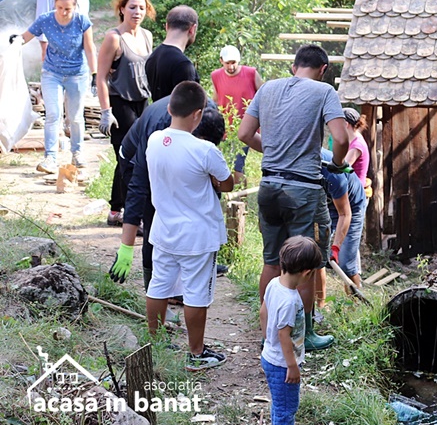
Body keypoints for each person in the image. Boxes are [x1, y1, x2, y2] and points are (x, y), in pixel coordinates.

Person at [237, 44, 350, 352]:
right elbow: (341, 138)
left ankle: (268, 332)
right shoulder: (324, 92)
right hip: (303, 191)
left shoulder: (268, 88)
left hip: (269, 187)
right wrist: (338, 164)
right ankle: (304, 335)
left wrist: (273, 150)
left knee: (272, 261)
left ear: (293, 66)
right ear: (323, 69)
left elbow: (245, 134)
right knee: (308, 263)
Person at [143, 81, 234, 371]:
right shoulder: (204, 150)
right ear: (198, 114)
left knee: (159, 285)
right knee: (196, 292)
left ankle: (155, 344)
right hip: (197, 235)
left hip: (163, 229)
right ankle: (196, 353)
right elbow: (227, 182)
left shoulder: (155, 140)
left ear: (170, 108)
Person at [108, 96, 225, 291]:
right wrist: (126, 246)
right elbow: (138, 187)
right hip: (133, 157)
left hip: (175, 151)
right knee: (154, 217)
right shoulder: (159, 133)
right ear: (194, 125)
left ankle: (187, 270)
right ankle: (155, 289)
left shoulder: (209, 116)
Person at [10, 0, 96, 173]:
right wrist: (13, 40)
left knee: (74, 117)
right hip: (52, 74)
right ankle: (50, 157)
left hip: (77, 74)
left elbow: (89, 48)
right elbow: (25, 37)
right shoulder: (46, 19)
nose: (63, 13)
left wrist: (95, 74)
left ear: (75, 7)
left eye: (68, 9)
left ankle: (77, 152)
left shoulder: (82, 21)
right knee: (53, 115)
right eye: (60, 8)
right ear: (55, 5)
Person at [96, 0, 156, 226]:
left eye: (141, 8)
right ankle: (136, 216)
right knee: (132, 159)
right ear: (122, 9)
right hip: (120, 104)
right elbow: (100, 76)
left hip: (143, 103)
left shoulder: (147, 36)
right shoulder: (114, 38)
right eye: (132, 7)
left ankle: (115, 210)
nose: (137, 12)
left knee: (128, 159)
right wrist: (105, 112)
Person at [261, 235, 320, 425]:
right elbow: (284, 335)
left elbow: (263, 312)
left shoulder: (273, 283)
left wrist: (267, 340)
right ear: (307, 273)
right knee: (287, 409)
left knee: (280, 404)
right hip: (282, 365)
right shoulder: (290, 300)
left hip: (270, 355)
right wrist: (292, 366)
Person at [210, 45, 263, 182]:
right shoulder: (216, 76)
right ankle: (231, 197)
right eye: (227, 63)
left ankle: (241, 199)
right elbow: (216, 100)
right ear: (221, 61)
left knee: (238, 166)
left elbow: (264, 95)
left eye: (233, 62)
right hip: (226, 127)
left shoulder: (250, 73)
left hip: (246, 126)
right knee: (224, 164)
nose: (231, 66)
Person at [324, 148, 368, 289]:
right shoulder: (298, 162)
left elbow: (345, 214)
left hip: (352, 209)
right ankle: (319, 304)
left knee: (345, 265)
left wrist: (335, 248)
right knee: (316, 256)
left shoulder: (332, 174)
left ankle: (356, 305)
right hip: (328, 204)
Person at [145, 5, 199, 102]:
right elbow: (188, 108)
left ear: (166, 26)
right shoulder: (183, 65)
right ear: (192, 29)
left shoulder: (153, 57)